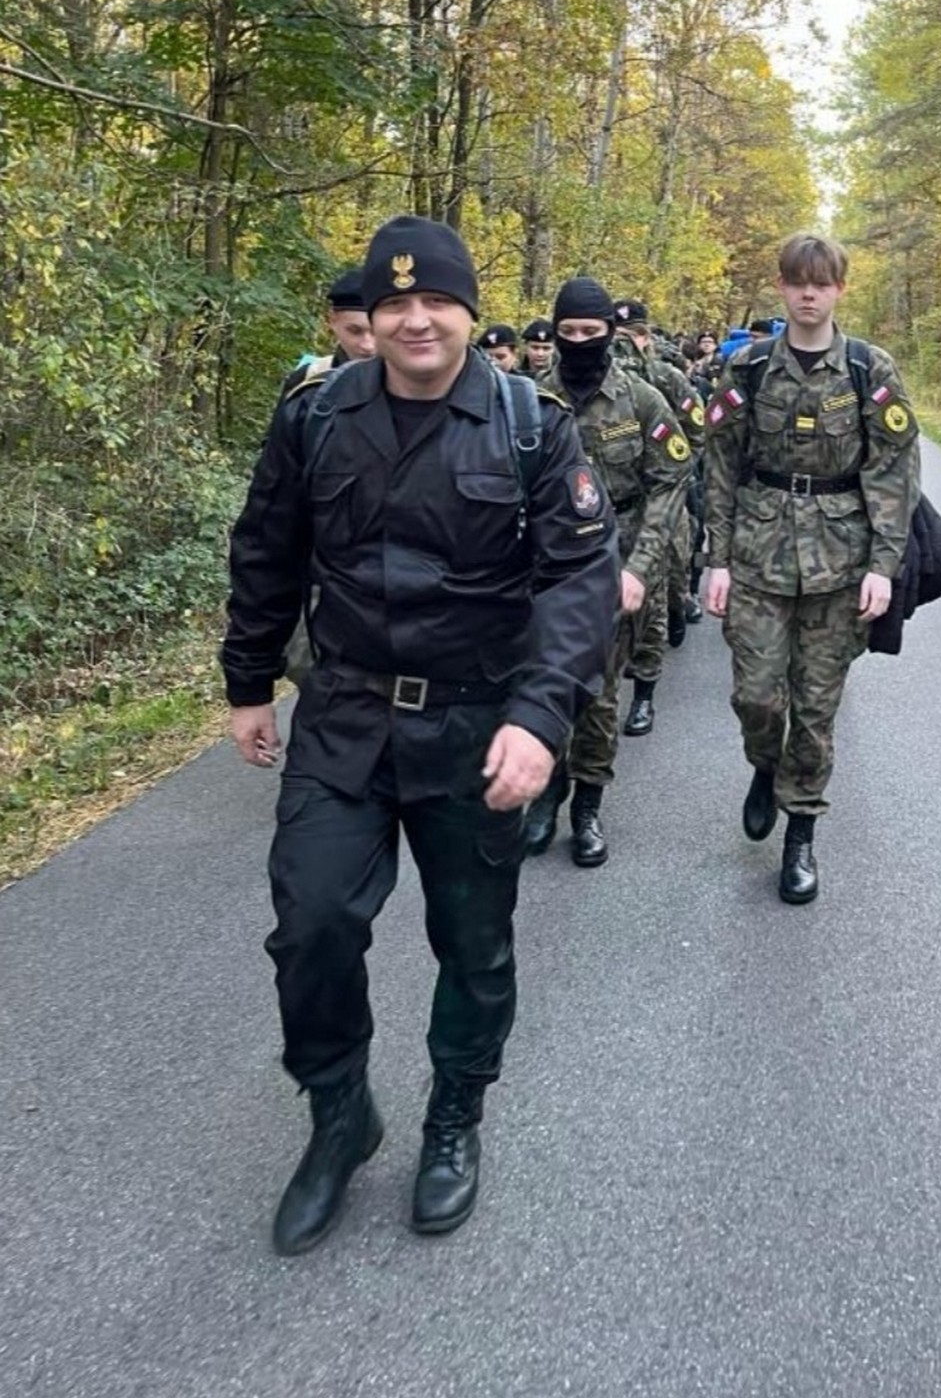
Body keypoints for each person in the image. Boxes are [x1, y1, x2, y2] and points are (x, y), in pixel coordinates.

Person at [222, 216, 619, 1254]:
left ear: (468, 314)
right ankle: (338, 1111)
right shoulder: (317, 416)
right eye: (394, 302)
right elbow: (266, 547)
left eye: (436, 300)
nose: (415, 320)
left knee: (473, 943)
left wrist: (541, 716)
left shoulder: (529, 426)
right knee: (310, 921)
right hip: (345, 715)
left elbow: (579, 576)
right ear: (371, 316)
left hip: (477, 724)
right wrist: (248, 680)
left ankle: (454, 1117)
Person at [704, 232, 921, 905]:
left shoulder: (867, 368)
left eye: (820, 284)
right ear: (781, 286)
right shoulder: (748, 368)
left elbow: (894, 469)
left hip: (840, 560)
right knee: (756, 697)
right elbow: (720, 464)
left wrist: (883, 565)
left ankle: (801, 833)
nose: (808, 295)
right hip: (758, 553)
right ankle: (764, 763)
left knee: (817, 707)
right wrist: (716, 559)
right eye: (797, 282)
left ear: (838, 290)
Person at [523, 278, 689, 865]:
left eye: (589, 332)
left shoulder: (641, 401)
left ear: (610, 334)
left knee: (597, 694)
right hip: (545, 565)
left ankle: (588, 806)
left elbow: (671, 482)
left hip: (617, 559)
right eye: (567, 332)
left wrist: (641, 566)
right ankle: (546, 794)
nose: (577, 342)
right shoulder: (528, 400)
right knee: (542, 685)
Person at [612, 299, 706, 730]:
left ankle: (646, 689)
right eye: (618, 334)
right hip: (613, 508)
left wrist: (676, 473)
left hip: (663, 499)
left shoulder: (664, 378)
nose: (625, 343)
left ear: (646, 336)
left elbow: (697, 429)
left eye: (633, 334)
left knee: (666, 580)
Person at [281, 268, 376, 392]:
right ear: (332, 320)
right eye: (355, 331)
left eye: (378, 332)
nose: (368, 345)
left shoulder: (403, 385)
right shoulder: (308, 380)